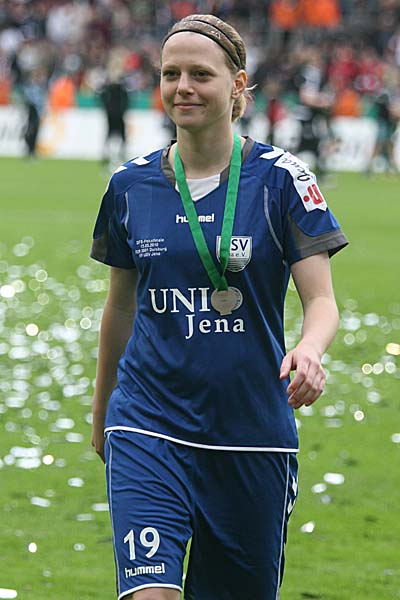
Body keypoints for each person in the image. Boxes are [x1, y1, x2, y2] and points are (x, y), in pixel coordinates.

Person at [90, 14, 348, 600]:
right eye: (171, 74)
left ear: (237, 86)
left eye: (200, 75)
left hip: (250, 432)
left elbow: (321, 299)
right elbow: (120, 310)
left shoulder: (284, 180)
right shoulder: (129, 186)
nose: (183, 86)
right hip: (148, 423)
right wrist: (104, 411)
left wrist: (309, 349)